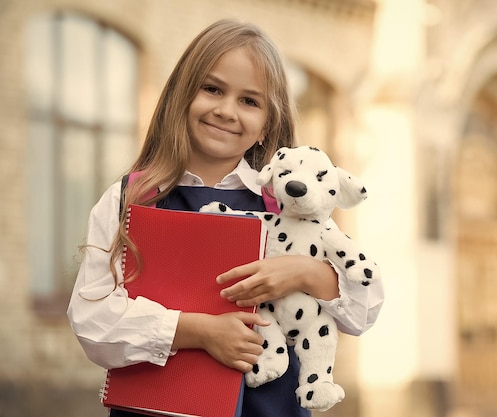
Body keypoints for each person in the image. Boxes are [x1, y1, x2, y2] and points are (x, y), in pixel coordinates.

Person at [67, 19, 384, 417]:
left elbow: (364, 310)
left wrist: (305, 272)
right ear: (183, 95)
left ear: (267, 123)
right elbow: (91, 320)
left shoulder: (286, 203)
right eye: (212, 89)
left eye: (249, 101)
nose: (225, 110)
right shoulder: (132, 198)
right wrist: (199, 332)